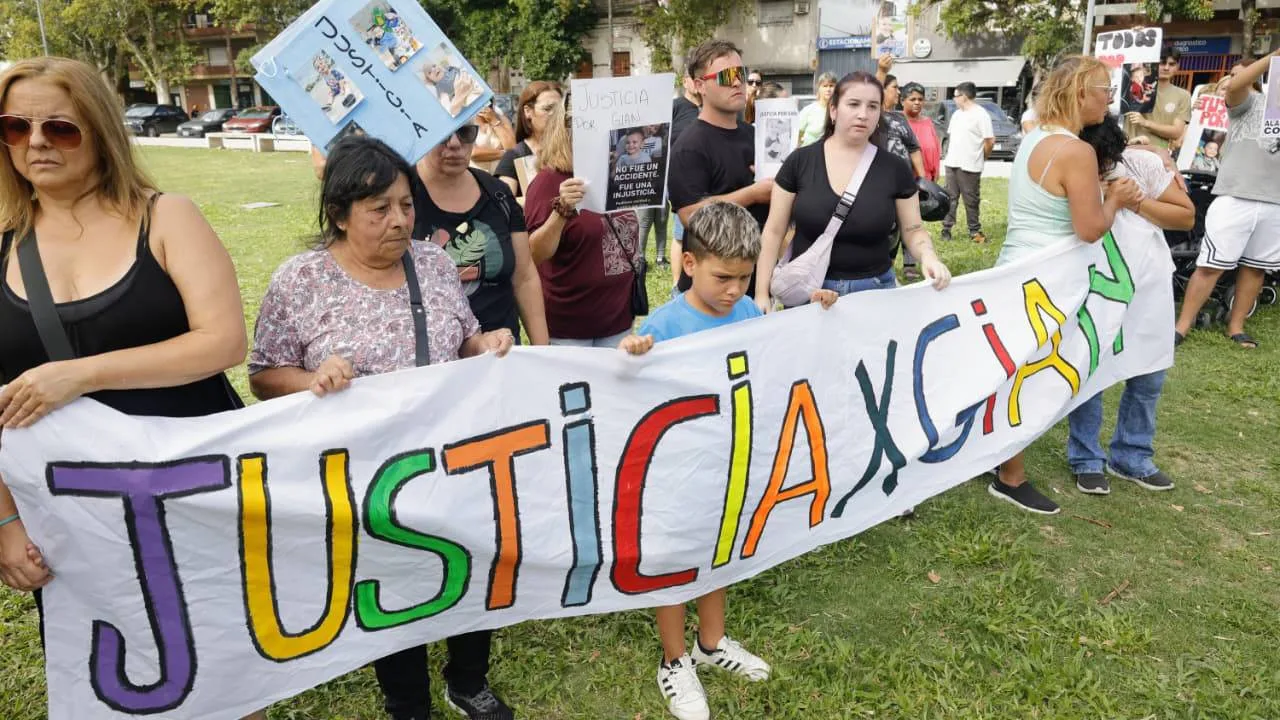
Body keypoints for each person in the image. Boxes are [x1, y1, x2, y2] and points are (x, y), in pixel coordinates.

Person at [0, 55, 247, 696]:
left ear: (101, 130)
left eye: (60, 128)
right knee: (109, 670)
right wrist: (5, 523)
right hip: (71, 510)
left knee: (222, 665)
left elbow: (223, 341)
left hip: (194, 490)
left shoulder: (167, 217)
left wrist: (78, 376)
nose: (35, 144)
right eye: (14, 127)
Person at [248, 136, 516, 720]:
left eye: (405, 205)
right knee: (392, 585)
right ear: (340, 216)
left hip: (451, 457)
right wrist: (314, 379)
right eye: (379, 210)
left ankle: (468, 679)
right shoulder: (301, 280)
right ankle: (407, 700)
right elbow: (264, 374)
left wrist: (485, 343)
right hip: (368, 476)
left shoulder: (435, 264)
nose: (399, 221)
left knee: (473, 562)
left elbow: (463, 336)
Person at [618, 201, 838, 720]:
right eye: (723, 277)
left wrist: (820, 311)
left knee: (721, 550)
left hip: (730, 460)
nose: (735, 289)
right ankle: (674, 660)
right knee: (674, 563)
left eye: (744, 277)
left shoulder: (744, 311)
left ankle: (711, 643)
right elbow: (630, 394)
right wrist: (632, 357)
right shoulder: (666, 324)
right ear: (689, 264)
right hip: (678, 471)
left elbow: (778, 354)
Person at [991, 55, 1144, 515]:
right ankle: (1010, 477)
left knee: (1011, 370)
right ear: (1081, 92)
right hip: (1048, 277)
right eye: (1104, 90)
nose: (1109, 100)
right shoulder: (1076, 150)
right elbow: (1090, 228)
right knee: (1031, 375)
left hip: (1017, 268)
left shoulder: (1036, 135)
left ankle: (998, 461)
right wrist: (1114, 198)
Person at [1068, 114, 1195, 495]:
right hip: (1097, 282)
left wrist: (1134, 202)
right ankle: (1086, 457)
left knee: (1150, 372)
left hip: (1148, 281)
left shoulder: (1142, 163)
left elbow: (1186, 215)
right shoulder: (1068, 164)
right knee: (1090, 366)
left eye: (1107, 160)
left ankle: (1132, 455)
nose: (1103, 168)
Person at [755, 71, 952, 311]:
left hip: (875, 292)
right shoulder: (800, 162)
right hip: (811, 293)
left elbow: (913, 230)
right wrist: (761, 293)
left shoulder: (895, 168)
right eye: (853, 104)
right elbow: (774, 231)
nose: (863, 114)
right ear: (834, 110)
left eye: (872, 106)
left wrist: (928, 256)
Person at [1173, 49, 1280, 349]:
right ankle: (1182, 325)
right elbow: (1234, 87)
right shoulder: (1244, 102)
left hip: (1274, 201)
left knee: (1256, 268)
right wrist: (1275, 55)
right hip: (1235, 196)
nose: (1231, 78)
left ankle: (1236, 327)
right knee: (1211, 264)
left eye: (1238, 71)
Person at [414, 119, 549, 345]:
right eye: (442, 133)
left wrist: (544, 351)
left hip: (502, 354)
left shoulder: (498, 194)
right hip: (436, 361)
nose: (455, 143)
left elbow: (524, 276)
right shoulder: (402, 195)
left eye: (465, 132)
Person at [525, 100, 640, 347]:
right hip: (570, 330)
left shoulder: (615, 174)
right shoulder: (548, 182)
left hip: (618, 320)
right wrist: (562, 212)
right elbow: (532, 254)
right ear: (566, 133)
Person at [667, 40, 774, 296]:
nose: (738, 83)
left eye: (741, 74)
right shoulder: (689, 146)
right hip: (708, 293)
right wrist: (754, 193)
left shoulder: (756, 136)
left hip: (753, 283)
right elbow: (691, 216)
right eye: (726, 76)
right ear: (700, 85)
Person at [940, 81, 994, 244]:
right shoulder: (956, 115)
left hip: (970, 164)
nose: (954, 99)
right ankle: (946, 229)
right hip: (952, 163)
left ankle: (974, 231)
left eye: (955, 96)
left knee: (971, 199)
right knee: (950, 197)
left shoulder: (981, 114)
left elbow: (989, 141)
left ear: (964, 96)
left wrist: (983, 157)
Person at [495, 81, 562, 197]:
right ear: (528, 111)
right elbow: (504, 206)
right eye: (548, 108)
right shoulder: (514, 156)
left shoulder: (573, 151)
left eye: (559, 109)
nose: (555, 114)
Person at [665, 78, 702, 280]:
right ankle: (677, 286)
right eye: (694, 78)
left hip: (707, 183)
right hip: (680, 182)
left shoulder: (710, 108)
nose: (698, 83)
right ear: (686, 81)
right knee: (681, 235)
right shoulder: (675, 107)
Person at [1123, 49, 1191, 151]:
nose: (1166, 68)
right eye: (1162, 63)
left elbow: (1177, 132)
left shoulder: (1183, 95)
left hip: (1158, 154)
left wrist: (1145, 123)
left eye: (1171, 64)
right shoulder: (1130, 86)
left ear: (1177, 67)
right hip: (1128, 150)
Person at [902, 82, 940, 182]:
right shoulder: (897, 122)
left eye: (920, 99)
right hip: (907, 181)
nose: (917, 102)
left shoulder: (928, 122)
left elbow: (935, 149)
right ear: (902, 101)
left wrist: (936, 173)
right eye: (913, 99)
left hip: (928, 181)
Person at [470, 101, 516, 174]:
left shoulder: (502, 119)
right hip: (478, 175)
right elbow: (473, 153)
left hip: (501, 175)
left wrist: (494, 121)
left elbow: (512, 147)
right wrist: (504, 153)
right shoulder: (468, 122)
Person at [796, 72, 837, 147]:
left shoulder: (839, 111)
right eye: (825, 86)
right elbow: (797, 134)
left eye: (831, 86)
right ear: (819, 88)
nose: (828, 89)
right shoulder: (808, 110)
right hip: (810, 154)